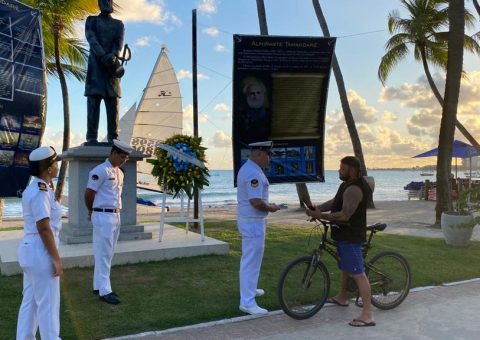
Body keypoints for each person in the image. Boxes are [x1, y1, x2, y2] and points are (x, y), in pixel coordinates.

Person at [305, 156, 375, 327]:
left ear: (352, 170)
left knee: (358, 274)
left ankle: (368, 315)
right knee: (345, 267)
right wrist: (318, 208)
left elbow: (345, 214)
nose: (338, 171)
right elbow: (336, 202)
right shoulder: (346, 185)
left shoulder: (354, 189)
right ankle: (343, 297)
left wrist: (320, 215)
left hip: (351, 236)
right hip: (342, 234)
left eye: (342, 168)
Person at [16, 146, 63, 339]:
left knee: (31, 302)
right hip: (40, 251)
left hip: (31, 250)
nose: (57, 165)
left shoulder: (39, 187)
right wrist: (56, 259)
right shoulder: (40, 190)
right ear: (49, 167)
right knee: (49, 306)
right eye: (55, 162)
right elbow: (44, 228)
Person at [84, 139, 133, 305]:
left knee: (107, 253)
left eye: (126, 158)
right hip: (102, 216)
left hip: (115, 216)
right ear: (113, 153)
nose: (123, 160)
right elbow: (89, 193)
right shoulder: (100, 171)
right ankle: (106, 291)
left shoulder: (119, 172)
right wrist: (91, 210)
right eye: (122, 157)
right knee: (104, 254)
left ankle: (98, 285)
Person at [236, 141, 280, 315]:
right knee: (250, 262)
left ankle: (250, 290)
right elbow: (255, 202)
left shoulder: (251, 168)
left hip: (252, 221)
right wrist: (271, 208)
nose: (269, 159)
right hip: (252, 222)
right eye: (268, 155)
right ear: (259, 153)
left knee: (252, 260)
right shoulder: (252, 173)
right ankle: (247, 302)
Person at [84, 0, 125, 144]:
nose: (106, 3)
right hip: (96, 68)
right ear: (99, 3)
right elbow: (92, 39)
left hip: (112, 69)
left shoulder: (118, 24)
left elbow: (118, 43)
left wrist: (112, 55)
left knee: (113, 102)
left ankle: (113, 137)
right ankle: (91, 137)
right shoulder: (91, 20)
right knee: (93, 102)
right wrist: (103, 56)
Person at [236, 79, 271, 145]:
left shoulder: (270, 114)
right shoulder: (241, 116)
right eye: (252, 93)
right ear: (247, 96)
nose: (256, 96)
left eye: (258, 92)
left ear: (263, 94)